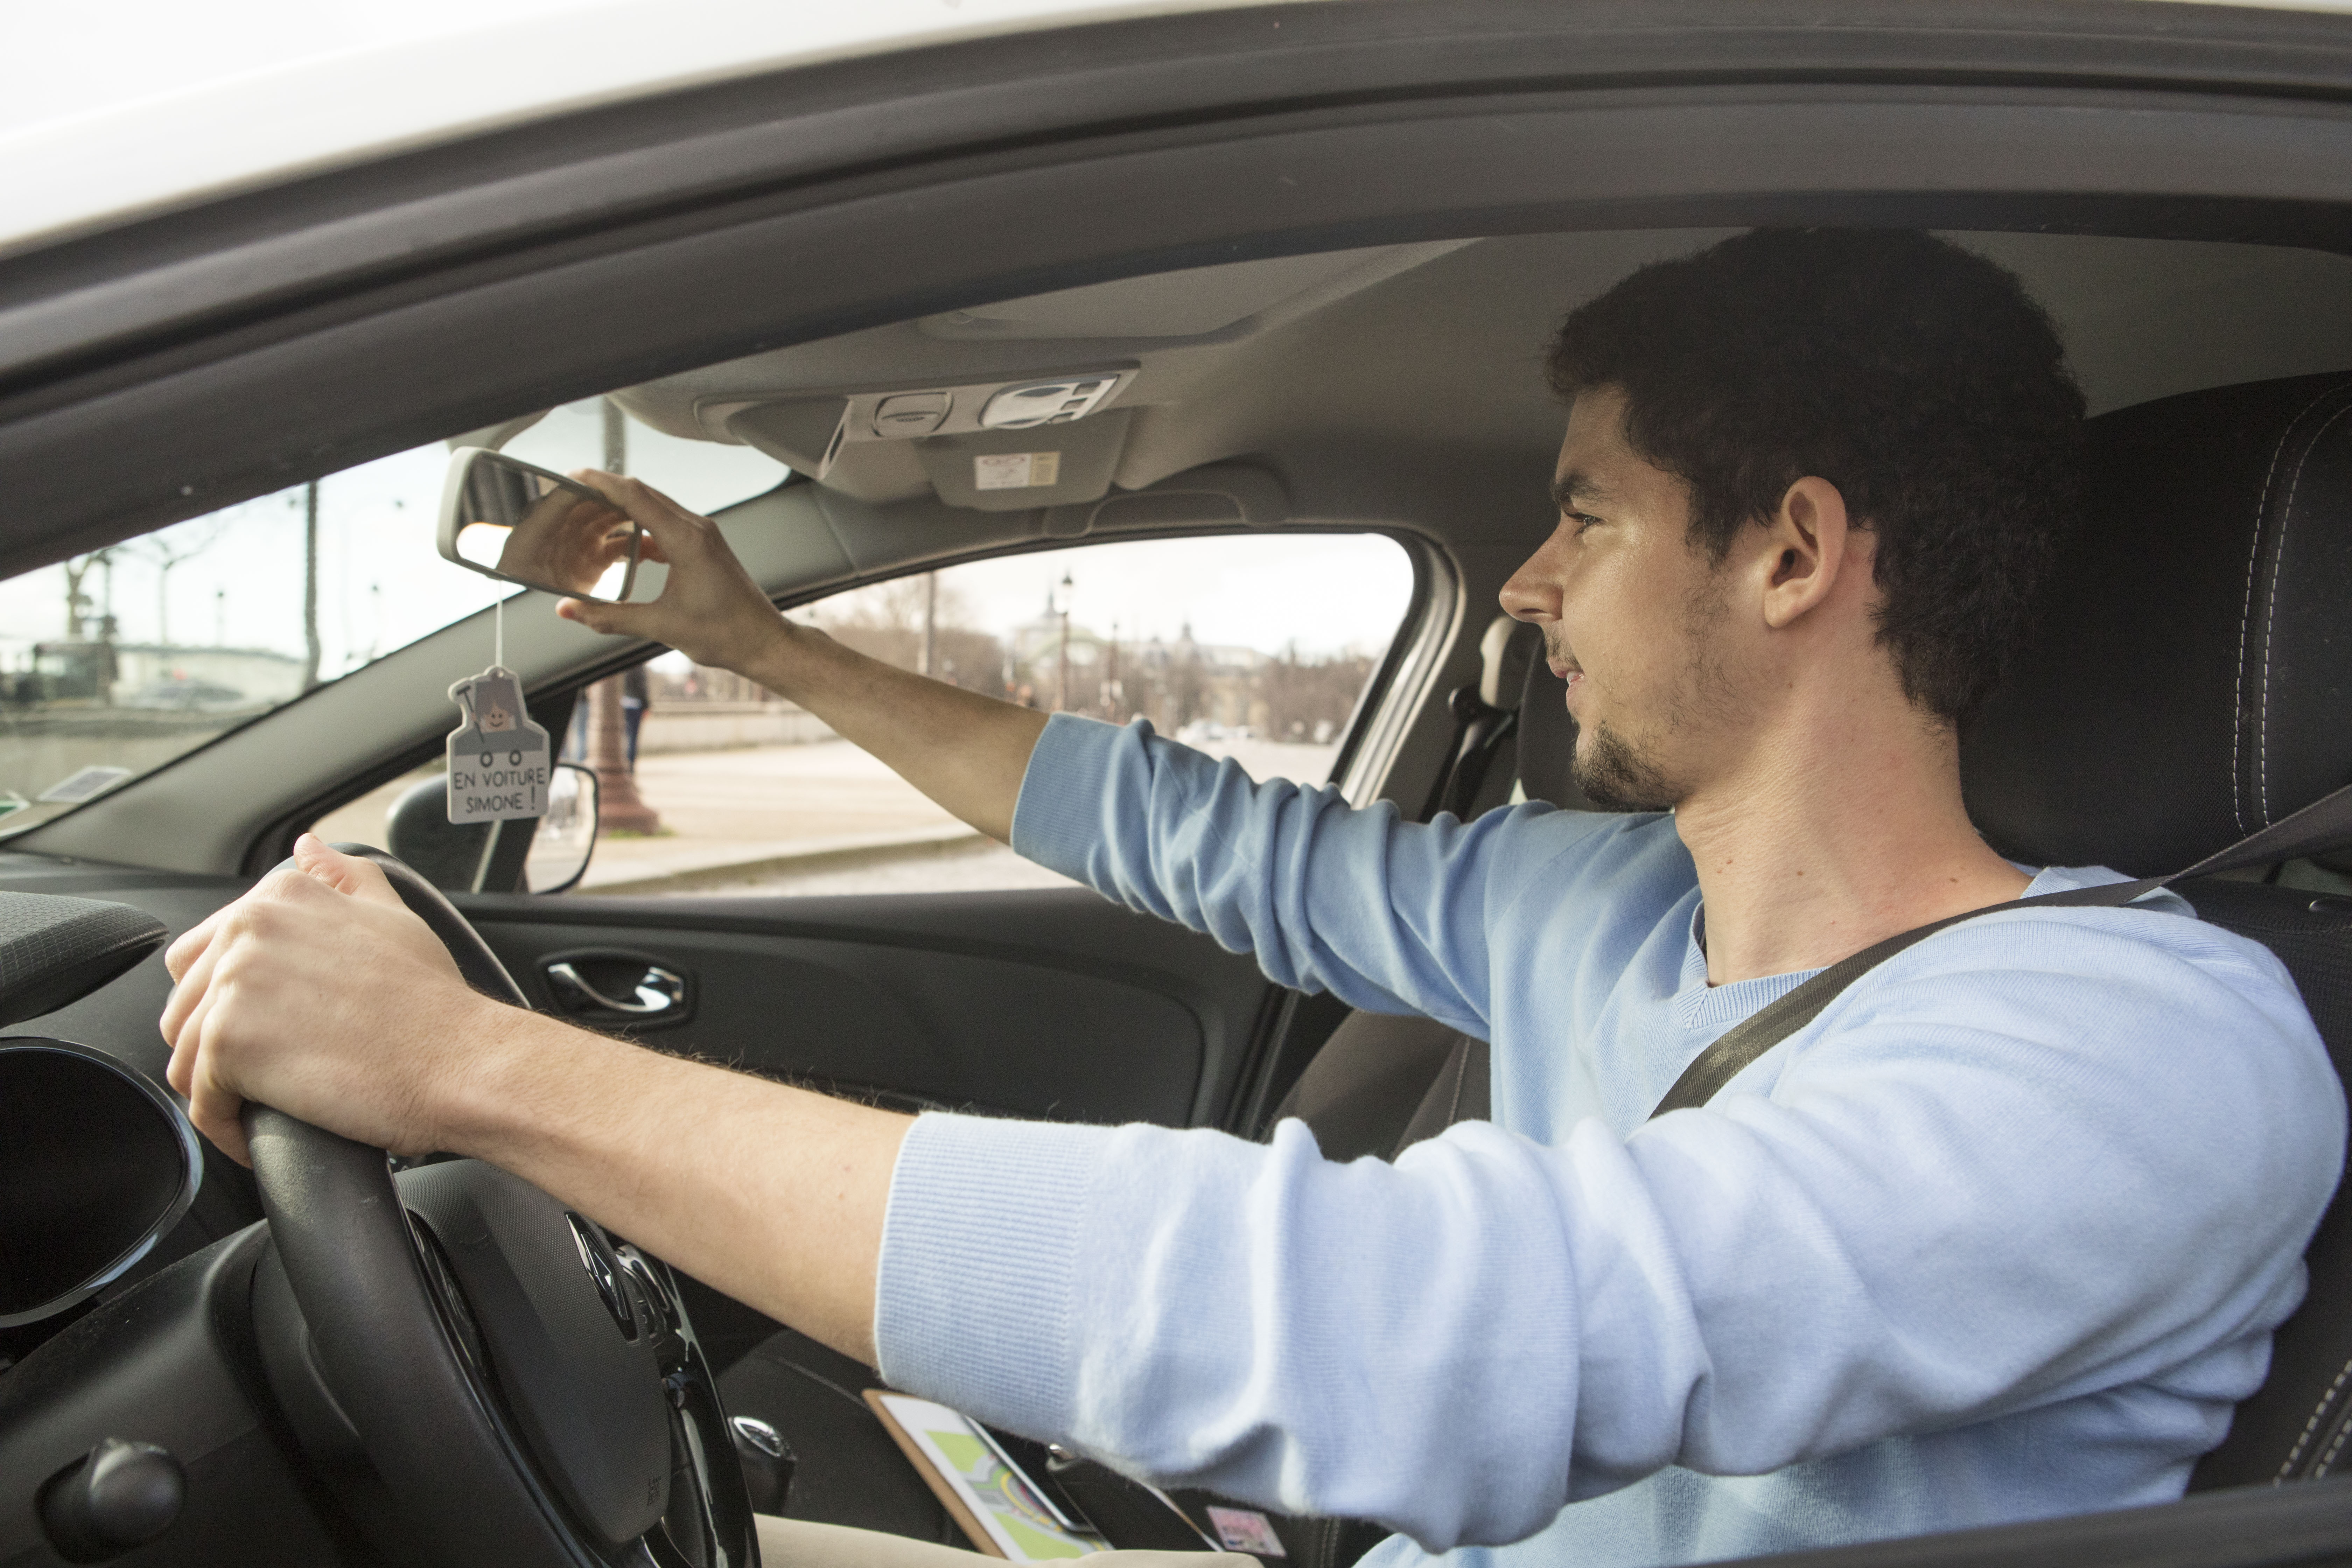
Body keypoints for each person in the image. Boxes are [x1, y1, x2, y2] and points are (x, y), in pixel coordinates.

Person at [159, 230, 2342, 1568]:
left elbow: (1419, 1329)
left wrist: (460, 1065)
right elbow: (1209, 846)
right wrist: (757, 642)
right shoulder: (1600, 909)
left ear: (1791, 552)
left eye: (1586, 517)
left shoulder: (2151, 1054)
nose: (1530, 583)